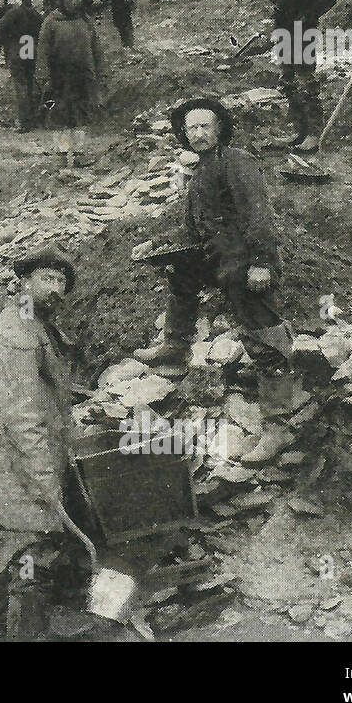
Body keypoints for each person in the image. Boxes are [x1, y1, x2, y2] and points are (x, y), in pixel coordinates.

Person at [133, 97, 301, 463]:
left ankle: (278, 428)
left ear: (220, 128)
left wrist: (262, 263)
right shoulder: (203, 171)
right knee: (178, 269)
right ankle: (175, 349)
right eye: (190, 128)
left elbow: (259, 217)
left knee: (264, 338)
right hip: (214, 257)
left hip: (243, 263)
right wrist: (158, 243)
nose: (197, 134)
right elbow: (191, 228)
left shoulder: (236, 162)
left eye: (204, 126)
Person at [0, 243, 77, 640]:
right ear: (24, 282)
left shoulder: (32, 323)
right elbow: (20, 417)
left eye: (61, 282)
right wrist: (46, 479)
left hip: (7, 465)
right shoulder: (17, 335)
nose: (55, 289)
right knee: (34, 557)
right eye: (46, 279)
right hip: (17, 466)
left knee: (9, 545)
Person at [267, 0, 337, 151]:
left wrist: (308, 16)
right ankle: (299, 130)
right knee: (287, 81)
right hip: (283, 31)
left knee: (307, 81)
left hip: (304, 31)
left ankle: (314, 134)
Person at [36, 0, 104, 129]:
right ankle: (61, 147)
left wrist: (100, 70)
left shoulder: (85, 21)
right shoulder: (51, 21)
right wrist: (43, 76)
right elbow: (43, 50)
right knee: (60, 112)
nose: (74, 2)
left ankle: (81, 148)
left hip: (83, 74)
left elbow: (96, 48)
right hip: (60, 76)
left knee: (82, 114)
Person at [0, 0, 45, 131]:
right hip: (30, 47)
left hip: (18, 47)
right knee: (30, 84)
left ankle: (25, 123)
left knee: (20, 85)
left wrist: (7, 41)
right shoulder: (36, 15)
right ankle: (35, 119)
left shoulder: (14, 13)